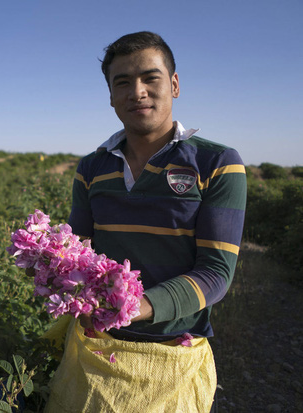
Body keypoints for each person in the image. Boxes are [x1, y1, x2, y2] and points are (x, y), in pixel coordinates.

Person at [43, 31, 247, 412]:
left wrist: (137, 306)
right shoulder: (92, 167)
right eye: (122, 82)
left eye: (150, 78)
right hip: (94, 349)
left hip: (171, 354)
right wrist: (50, 266)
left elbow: (216, 273)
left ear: (174, 84)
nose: (137, 91)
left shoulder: (217, 163)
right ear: (110, 96)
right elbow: (79, 249)